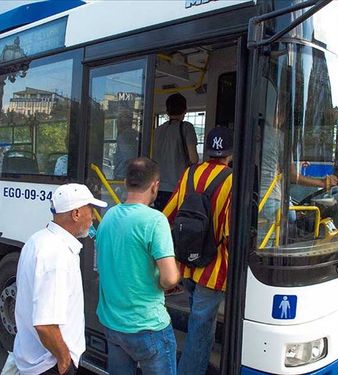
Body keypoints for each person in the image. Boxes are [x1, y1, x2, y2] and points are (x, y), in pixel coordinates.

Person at [96, 157, 180, 375]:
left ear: (125, 182)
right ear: (155, 185)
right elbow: (170, 278)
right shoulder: (155, 221)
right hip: (148, 326)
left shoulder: (108, 216)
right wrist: (162, 282)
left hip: (113, 325)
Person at [13, 183, 107, 375]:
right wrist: (65, 360)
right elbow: (45, 324)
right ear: (77, 213)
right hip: (49, 365)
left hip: (36, 359)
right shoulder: (56, 255)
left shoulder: (39, 239)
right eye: (91, 210)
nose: (93, 217)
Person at [162, 127, 233, 375]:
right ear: (230, 154)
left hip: (185, 265)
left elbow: (168, 214)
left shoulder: (190, 173)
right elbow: (228, 235)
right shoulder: (232, 180)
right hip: (213, 271)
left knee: (201, 324)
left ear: (207, 151)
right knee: (200, 331)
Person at [153, 93, 199, 211]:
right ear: (185, 110)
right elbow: (194, 159)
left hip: (158, 188)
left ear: (167, 112)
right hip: (178, 188)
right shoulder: (187, 128)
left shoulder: (158, 130)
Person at [113, 110, 140, 180]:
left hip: (123, 176)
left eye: (118, 120)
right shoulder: (134, 134)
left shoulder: (125, 136)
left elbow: (129, 158)